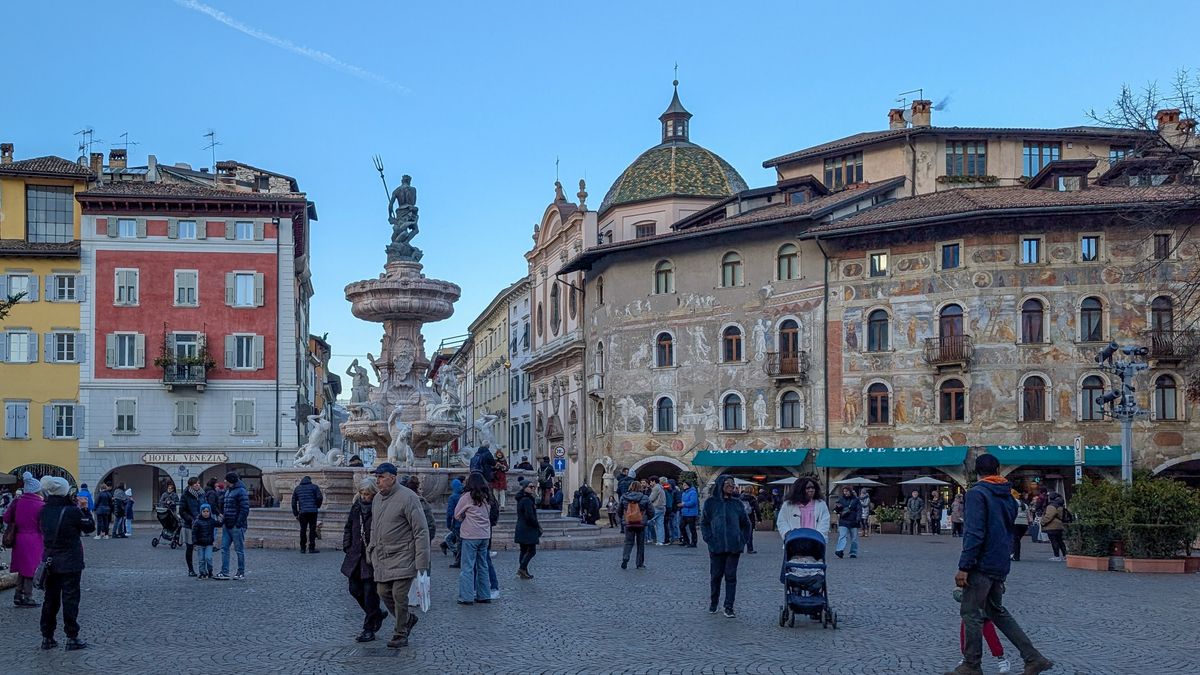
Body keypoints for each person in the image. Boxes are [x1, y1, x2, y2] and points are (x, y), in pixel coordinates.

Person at [948, 453, 1053, 675]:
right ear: (997, 470)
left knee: (970, 613)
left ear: (977, 472)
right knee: (997, 611)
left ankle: (971, 664)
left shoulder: (977, 494)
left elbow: (975, 533)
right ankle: (1033, 658)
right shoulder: (1007, 496)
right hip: (1000, 561)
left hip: (981, 563)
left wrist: (964, 566)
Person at [367, 462, 431, 649]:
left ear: (392, 478)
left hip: (404, 554)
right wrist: (371, 548)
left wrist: (422, 561)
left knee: (399, 595)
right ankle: (408, 619)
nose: (377, 480)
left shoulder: (409, 498)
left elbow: (421, 530)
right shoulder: (378, 499)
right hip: (383, 556)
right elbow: (374, 527)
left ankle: (400, 633)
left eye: (380, 477)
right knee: (382, 592)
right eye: (376, 477)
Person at [38, 477, 95, 650]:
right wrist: (84, 509)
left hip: (50, 560)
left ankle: (47, 636)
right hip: (70, 561)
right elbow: (89, 527)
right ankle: (72, 636)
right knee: (70, 598)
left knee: (50, 599)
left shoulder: (44, 510)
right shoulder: (72, 511)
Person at [342, 477, 387, 643]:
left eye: (367, 494)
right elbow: (348, 527)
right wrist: (347, 545)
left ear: (374, 494)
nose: (363, 496)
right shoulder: (356, 507)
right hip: (355, 555)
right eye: (361, 493)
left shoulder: (380, 508)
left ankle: (368, 629)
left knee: (370, 594)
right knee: (354, 589)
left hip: (372, 557)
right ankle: (376, 613)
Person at [700, 475, 750, 618]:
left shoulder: (737, 504)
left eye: (733, 484)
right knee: (715, 576)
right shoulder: (711, 503)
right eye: (728, 484)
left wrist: (742, 540)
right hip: (716, 546)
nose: (731, 486)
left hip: (734, 547)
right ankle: (714, 602)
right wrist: (709, 538)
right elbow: (704, 523)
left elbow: (746, 524)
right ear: (721, 485)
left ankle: (729, 606)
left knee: (731, 576)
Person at [3, 472, 45, 607]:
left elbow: (6, 518)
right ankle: (28, 596)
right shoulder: (40, 505)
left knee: (22, 568)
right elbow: (42, 525)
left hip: (18, 538)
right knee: (31, 568)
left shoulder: (17, 502)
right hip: (34, 539)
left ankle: (18, 594)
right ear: (37, 490)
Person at [453, 472, 495, 605]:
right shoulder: (487, 497)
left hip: (470, 535)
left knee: (468, 566)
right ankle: (484, 595)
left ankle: (466, 596)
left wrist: (465, 518)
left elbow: (457, 515)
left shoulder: (467, 497)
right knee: (483, 565)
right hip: (484, 535)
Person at [955, 589, 1012, 674]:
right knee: (965, 635)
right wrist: (966, 597)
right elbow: (957, 591)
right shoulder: (966, 576)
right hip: (969, 610)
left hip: (984, 610)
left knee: (990, 635)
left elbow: (1000, 588)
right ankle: (967, 658)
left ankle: (1001, 659)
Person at [214, 471, 250, 581]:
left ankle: (240, 572)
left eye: (226, 480)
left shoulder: (241, 491)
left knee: (239, 550)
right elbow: (226, 507)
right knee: (224, 549)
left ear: (231, 481)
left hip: (236, 526)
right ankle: (224, 572)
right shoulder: (228, 490)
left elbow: (245, 509)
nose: (224, 481)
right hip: (227, 524)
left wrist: (238, 523)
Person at [776, 476, 831, 542]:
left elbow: (825, 522)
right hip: (794, 541)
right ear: (800, 489)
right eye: (808, 488)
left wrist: (818, 536)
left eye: (813, 488)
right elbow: (782, 521)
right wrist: (788, 534)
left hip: (815, 542)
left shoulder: (821, 504)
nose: (811, 490)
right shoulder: (788, 505)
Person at [619, 480, 653, 569]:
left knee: (628, 542)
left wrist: (623, 519)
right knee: (640, 544)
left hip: (628, 522)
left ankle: (625, 558)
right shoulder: (645, 497)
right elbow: (651, 511)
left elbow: (619, 510)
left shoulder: (624, 497)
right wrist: (646, 518)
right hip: (640, 523)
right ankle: (639, 563)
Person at [514, 480, 542, 579]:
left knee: (523, 550)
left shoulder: (522, 499)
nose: (533, 488)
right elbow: (529, 516)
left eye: (533, 487)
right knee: (531, 551)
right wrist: (537, 526)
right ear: (524, 488)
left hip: (522, 527)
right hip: (527, 528)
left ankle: (524, 571)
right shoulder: (527, 500)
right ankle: (522, 568)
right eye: (530, 487)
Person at [292, 475, 325, 553]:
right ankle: (311, 548)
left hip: (302, 512)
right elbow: (320, 497)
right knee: (312, 529)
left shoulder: (297, 489)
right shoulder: (314, 487)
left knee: (303, 529)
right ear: (310, 480)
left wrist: (296, 513)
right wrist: (317, 505)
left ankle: (303, 548)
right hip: (313, 511)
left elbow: (293, 502)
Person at [179, 477, 205, 576]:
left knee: (203, 547)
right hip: (189, 525)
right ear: (190, 485)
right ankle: (191, 569)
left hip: (202, 524)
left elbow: (205, 506)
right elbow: (182, 511)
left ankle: (203, 570)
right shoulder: (186, 495)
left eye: (198, 483)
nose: (197, 485)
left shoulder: (202, 494)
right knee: (189, 547)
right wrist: (191, 519)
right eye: (195, 484)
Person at [833, 485, 863, 559]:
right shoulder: (841, 499)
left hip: (853, 521)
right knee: (842, 536)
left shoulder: (855, 500)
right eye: (844, 491)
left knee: (854, 538)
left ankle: (853, 552)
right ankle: (839, 550)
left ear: (850, 491)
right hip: (843, 520)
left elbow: (859, 510)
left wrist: (858, 518)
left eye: (847, 491)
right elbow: (836, 510)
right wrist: (837, 508)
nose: (845, 493)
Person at [191, 503, 219, 579]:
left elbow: (219, 524)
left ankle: (210, 571)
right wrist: (194, 543)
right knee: (201, 559)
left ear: (210, 512)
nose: (206, 513)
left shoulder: (212, 521)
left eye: (207, 511)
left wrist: (223, 518)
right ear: (201, 512)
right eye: (204, 511)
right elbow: (194, 533)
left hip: (209, 543)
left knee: (208, 558)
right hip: (200, 544)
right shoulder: (197, 522)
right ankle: (202, 572)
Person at [1040, 492, 1067, 562]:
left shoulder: (1051, 506)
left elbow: (1049, 516)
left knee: (1054, 541)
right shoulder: (1060, 505)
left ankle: (1056, 556)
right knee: (1060, 541)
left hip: (1052, 526)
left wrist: (1042, 522)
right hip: (1059, 525)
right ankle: (1065, 555)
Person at [444, 477, 463, 567]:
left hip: (457, 524)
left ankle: (458, 561)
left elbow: (450, 513)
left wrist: (449, 524)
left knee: (459, 543)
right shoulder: (463, 496)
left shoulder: (453, 497)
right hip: (465, 523)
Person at [1010, 490, 1030, 562]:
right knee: (1017, 540)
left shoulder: (1011, 503)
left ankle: (1015, 556)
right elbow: (1029, 517)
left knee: (1015, 540)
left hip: (1016, 523)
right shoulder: (1025, 505)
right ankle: (1014, 554)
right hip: (1024, 524)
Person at [679, 480, 699, 547]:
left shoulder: (693, 492)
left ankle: (694, 542)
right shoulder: (684, 493)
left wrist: (683, 504)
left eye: (685, 485)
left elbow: (693, 502)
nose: (684, 486)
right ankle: (686, 541)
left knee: (692, 528)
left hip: (691, 513)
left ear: (689, 485)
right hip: (684, 513)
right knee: (681, 526)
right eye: (683, 485)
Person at [648, 478, 667, 545]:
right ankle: (660, 541)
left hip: (656, 507)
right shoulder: (662, 488)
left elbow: (651, 498)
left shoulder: (656, 488)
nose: (650, 484)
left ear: (654, 481)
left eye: (650, 482)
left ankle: (650, 538)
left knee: (647, 521)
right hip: (662, 507)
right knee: (660, 525)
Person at [740, 487, 759, 554]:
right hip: (750, 517)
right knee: (749, 534)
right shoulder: (752, 498)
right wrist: (759, 518)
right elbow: (757, 509)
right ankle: (750, 549)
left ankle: (740, 548)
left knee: (741, 533)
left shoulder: (740, 497)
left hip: (741, 517)